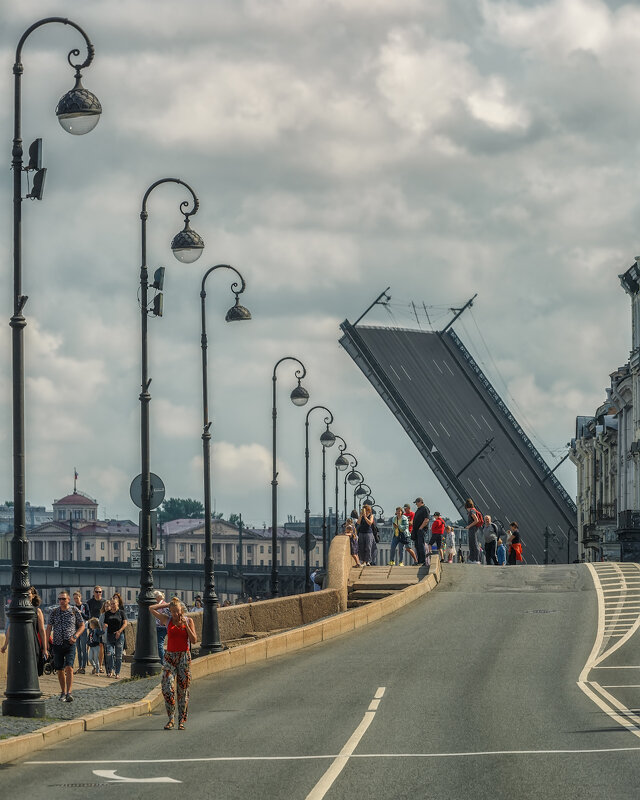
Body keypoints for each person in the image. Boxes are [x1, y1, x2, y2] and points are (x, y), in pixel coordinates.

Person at [150, 596, 197, 730]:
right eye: (173, 612)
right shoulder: (167, 620)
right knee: (167, 688)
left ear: (182, 610)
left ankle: (181, 720)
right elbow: (151, 608)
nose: (176, 614)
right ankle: (171, 718)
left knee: (183, 691)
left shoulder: (189, 620)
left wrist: (186, 625)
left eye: (177, 611)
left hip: (184, 657)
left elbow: (194, 640)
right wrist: (164, 605)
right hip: (170, 657)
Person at [46, 590, 85, 702]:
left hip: (70, 643)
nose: (61, 601)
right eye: (59, 599)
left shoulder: (74, 610)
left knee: (69, 667)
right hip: (57, 644)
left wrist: (75, 636)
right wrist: (46, 644)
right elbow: (48, 628)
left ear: (68, 600)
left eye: (63, 599)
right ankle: (63, 692)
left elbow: (82, 625)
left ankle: (69, 692)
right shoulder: (54, 612)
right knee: (59, 669)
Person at [1, 587, 48, 675]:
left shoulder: (37, 611)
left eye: (28, 594)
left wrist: (45, 649)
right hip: (19, 644)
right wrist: (5, 645)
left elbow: (42, 631)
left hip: (33, 643)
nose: (25, 596)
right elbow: (10, 629)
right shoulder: (18, 610)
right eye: (24, 594)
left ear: (33, 596)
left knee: (32, 670)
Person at [103, 596, 128, 678]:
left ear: (117, 604)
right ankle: (110, 670)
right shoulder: (107, 613)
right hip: (110, 635)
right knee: (109, 653)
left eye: (114, 604)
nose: (113, 605)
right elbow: (106, 622)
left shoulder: (121, 613)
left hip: (119, 636)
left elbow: (125, 623)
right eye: (111, 604)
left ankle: (117, 672)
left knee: (118, 655)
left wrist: (119, 631)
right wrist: (104, 626)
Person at [86, 586, 105, 672]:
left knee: (101, 646)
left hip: (101, 626)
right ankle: (94, 665)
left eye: (100, 592)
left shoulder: (104, 602)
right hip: (93, 627)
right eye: (96, 592)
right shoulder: (89, 602)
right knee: (93, 645)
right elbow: (87, 614)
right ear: (93, 593)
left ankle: (100, 666)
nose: (98, 594)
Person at [72, 591, 89, 674]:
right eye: (74, 598)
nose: (76, 600)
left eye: (77, 598)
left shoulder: (85, 606)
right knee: (78, 649)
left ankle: (83, 667)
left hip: (84, 629)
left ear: (80, 597)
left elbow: (88, 617)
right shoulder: (73, 607)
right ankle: (79, 666)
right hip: (76, 629)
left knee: (83, 649)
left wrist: (80, 613)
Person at [412, 498, 430, 565]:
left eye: (416, 502)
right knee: (417, 546)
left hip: (421, 530)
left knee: (421, 545)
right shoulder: (418, 510)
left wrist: (420, 528)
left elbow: (426, 519)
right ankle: (419, 561)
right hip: (416, 531)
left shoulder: (425, 509)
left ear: (420, 502)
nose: (416, 504)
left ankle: (422, 561)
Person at [464, 498, 483, 563]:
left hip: (473, 529)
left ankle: (476, 559)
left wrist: (469, 526)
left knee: (474, 543)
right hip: (472, 529)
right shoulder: (473, 510)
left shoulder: (472, 511)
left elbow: (476, 520)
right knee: (471, 543)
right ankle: (472, 559)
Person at [154, 590, 169, 663]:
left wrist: (162, 623)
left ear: (159, 597)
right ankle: (161, 661)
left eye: (155, 597)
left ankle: (163, 662)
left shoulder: (164, 605)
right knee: (157, 644)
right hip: (157, 627)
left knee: (159, 644)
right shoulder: (157, 604)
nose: (154, 599)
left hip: (161, 627)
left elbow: (167, 616)